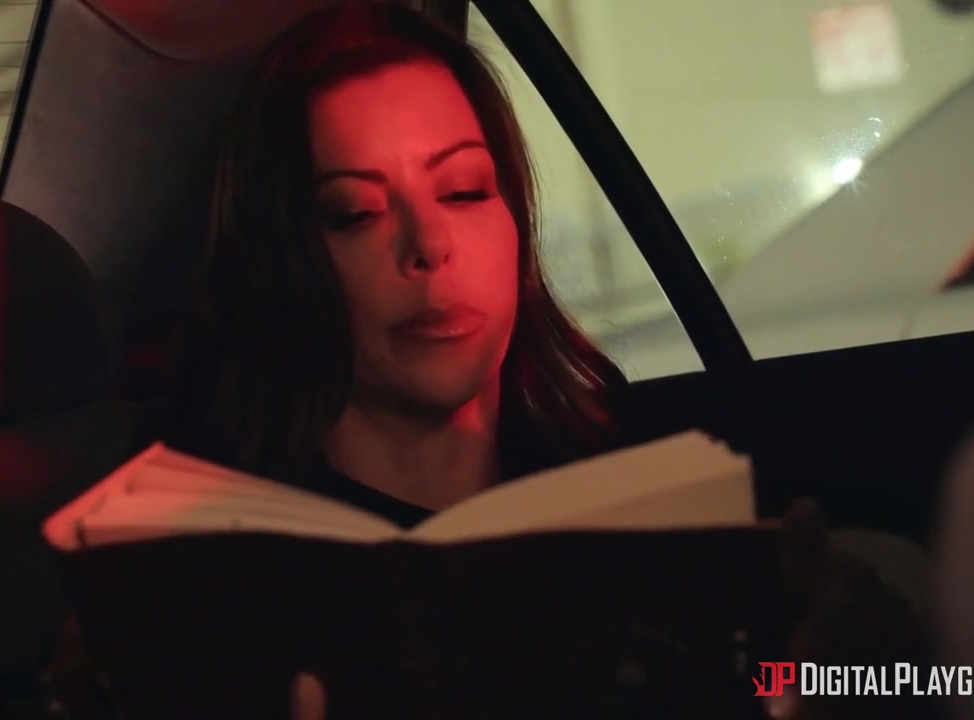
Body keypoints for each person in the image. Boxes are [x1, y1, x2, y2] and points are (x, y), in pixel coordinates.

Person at [157, 3, 629, 716]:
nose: (428, 245)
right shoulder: (225, 589)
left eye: (463, 189)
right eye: (355, 212)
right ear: (281, 258)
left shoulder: (628, 490)